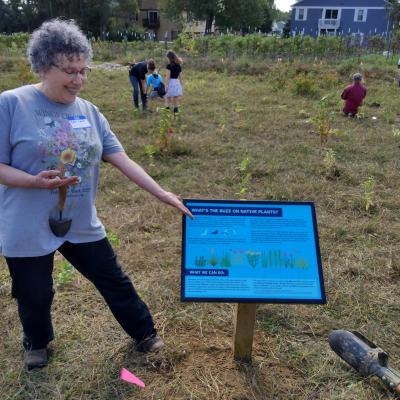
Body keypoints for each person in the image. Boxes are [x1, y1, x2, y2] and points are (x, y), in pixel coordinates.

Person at [0, 19, 193, 371]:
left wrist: (161, 192)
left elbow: (121, 158)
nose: (78, 79)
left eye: (83, 70)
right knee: (34, 292)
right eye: (69, 71)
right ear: (43, 65)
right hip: (25, 221)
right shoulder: (12, 105)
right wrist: (33, 182)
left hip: (78, 220)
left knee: (112, 277)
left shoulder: (89, 112)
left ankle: (145, 332)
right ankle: (37, 341)